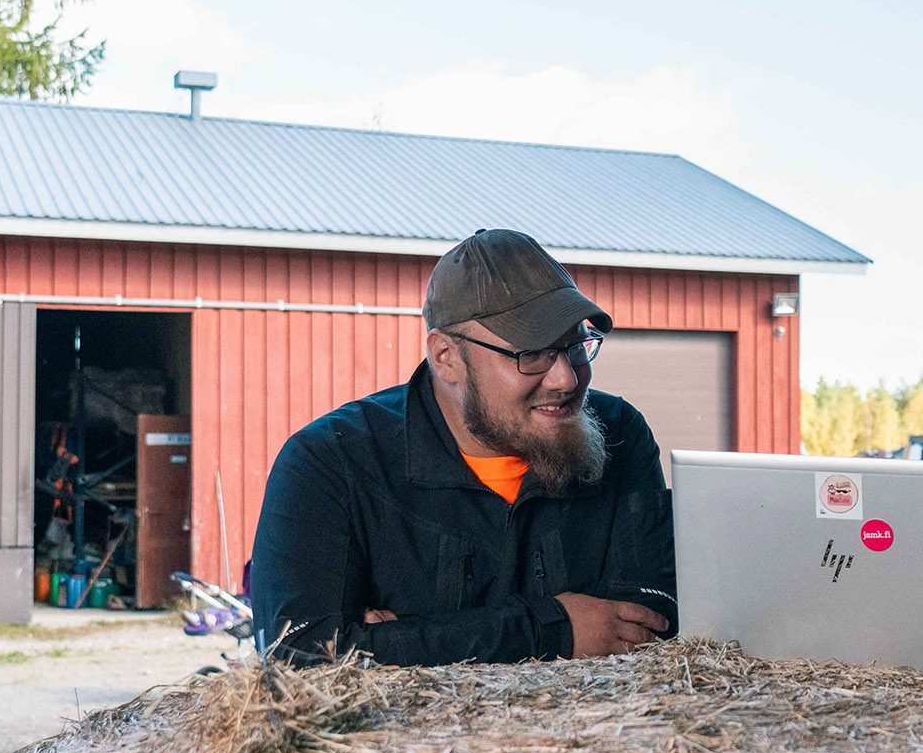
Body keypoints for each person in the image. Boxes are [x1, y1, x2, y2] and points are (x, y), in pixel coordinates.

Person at [250, 229, 674, 666]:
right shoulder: (329, 461)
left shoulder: (620, 433)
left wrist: (403, 642)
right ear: (445, 358)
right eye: (532, 353)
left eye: (575, 346)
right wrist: (552, 629)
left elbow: (653, 624)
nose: (566, 379)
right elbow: (299, 657)